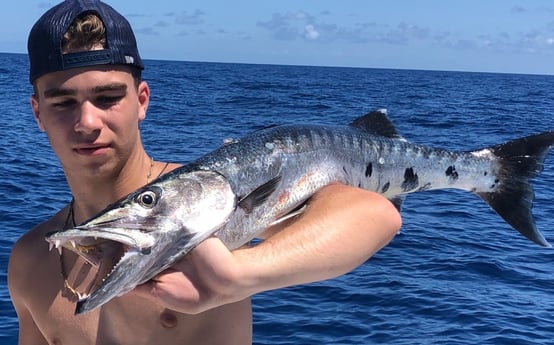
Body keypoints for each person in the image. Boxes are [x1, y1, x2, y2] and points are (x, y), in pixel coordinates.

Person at [8, 0, 402, 344]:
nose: (87, 121)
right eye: (63, 102)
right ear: (37, 112)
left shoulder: (205, 199)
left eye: (108, 97)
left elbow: (375, 216)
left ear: (141, 101)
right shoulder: (29, 261)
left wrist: (237, 276)